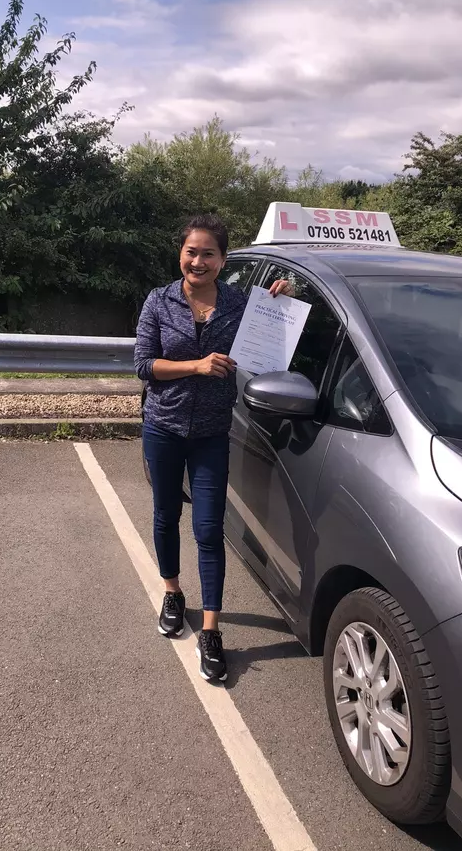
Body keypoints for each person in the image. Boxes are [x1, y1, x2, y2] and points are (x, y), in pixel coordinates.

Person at [134, 214, 290, 682]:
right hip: (162, 426)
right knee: (165, 515)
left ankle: (210, 629)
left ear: (223, 260)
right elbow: (144, 365)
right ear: (180, 254)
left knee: (207, 528)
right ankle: (172, 592)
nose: (198, 261)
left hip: (211, 433)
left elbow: (268, 340)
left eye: (208, 253)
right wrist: (196, 366)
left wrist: (280, 304)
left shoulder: (241, 304)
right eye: (191, 252)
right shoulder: (158, 300)